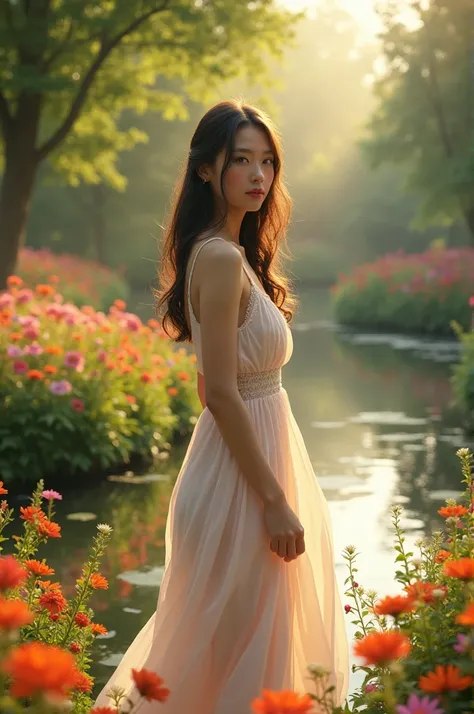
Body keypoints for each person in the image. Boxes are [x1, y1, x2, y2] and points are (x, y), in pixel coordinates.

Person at [93, 100, 349, 713]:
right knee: (223, 661)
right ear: (207, 169)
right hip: (244, 482)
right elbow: (223, 395)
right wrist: (274, 500)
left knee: (248, 657)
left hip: (254, 463)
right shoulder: (218, 256)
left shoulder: (235, 254)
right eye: (241, 160)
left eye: (267, 161)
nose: (259, 175)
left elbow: (213, 390)